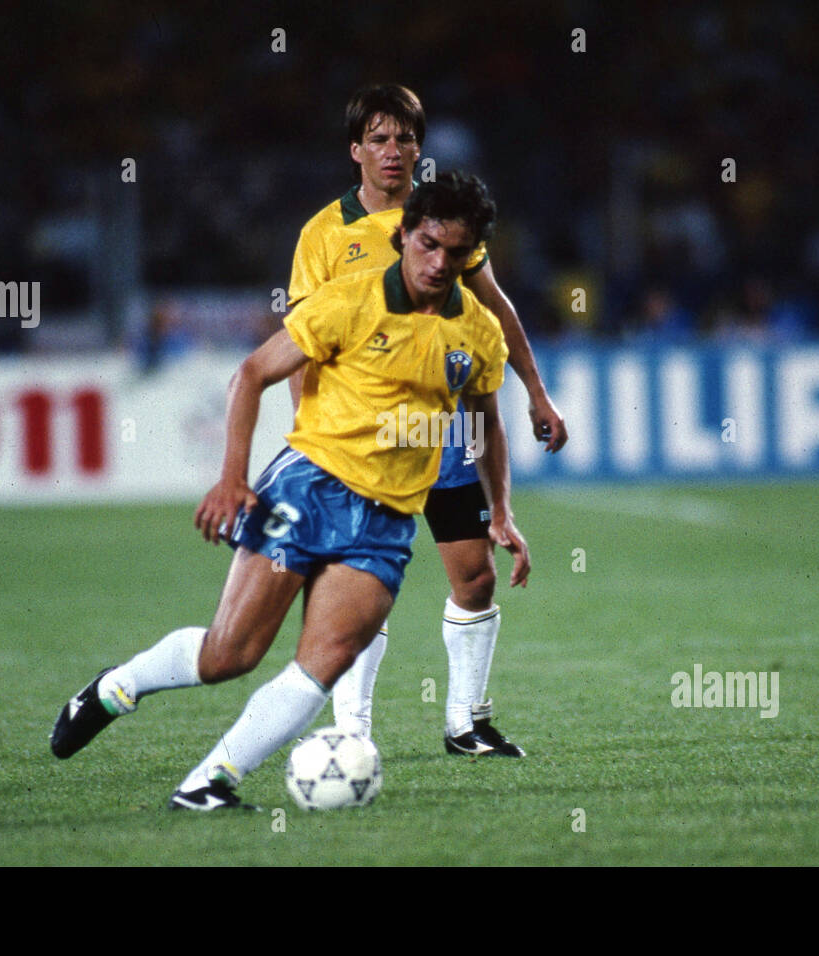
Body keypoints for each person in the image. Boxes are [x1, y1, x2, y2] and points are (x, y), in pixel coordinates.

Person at [50, 172, 530, 809]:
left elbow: (487, 421)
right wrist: (231, 479)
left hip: (386, 523)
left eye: (455, 252)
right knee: (231, 655)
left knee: (321, 662)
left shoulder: (478, 332)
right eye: (428, 244)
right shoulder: (348, 300)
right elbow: (251, 374)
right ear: (406, 234)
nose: (439, 262)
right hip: (309, 489)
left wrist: (500, 511)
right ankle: (118, 686)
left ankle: (209, 782)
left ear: (471, 254)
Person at [289, 84, 567, 755]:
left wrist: (536, 391)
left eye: (405, 138)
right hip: (358, 440)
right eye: (379, 139)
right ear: (355, 149)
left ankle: (465, 722)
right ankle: (351, 731)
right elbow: (300, 343)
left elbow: (495, 311)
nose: (394, 152)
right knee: (356, 588)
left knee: (475, 575)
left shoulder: (443, 218)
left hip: (440, 433)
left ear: (420, 146)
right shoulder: (324, 235)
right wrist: (312, 434)